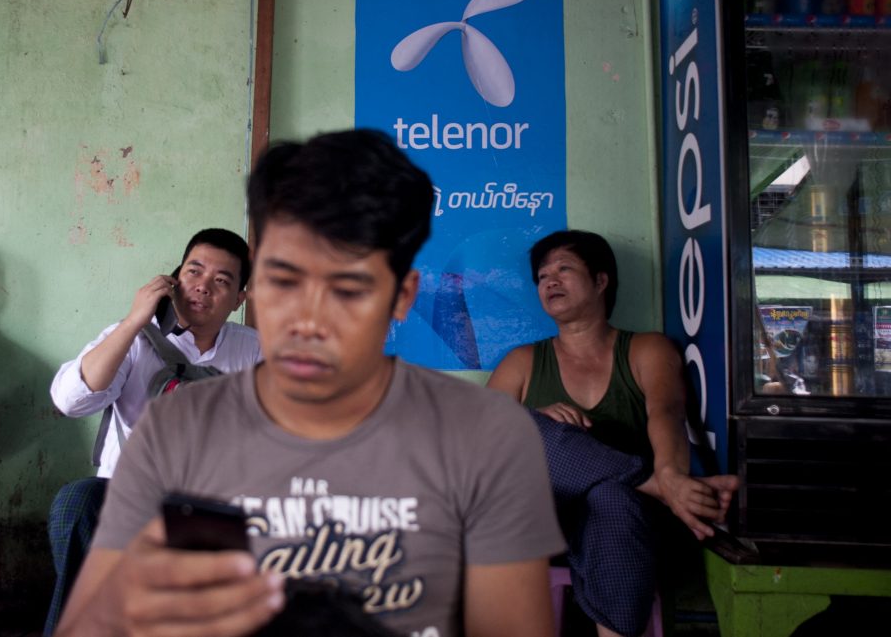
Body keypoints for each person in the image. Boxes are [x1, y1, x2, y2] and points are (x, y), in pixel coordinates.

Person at [55, 129, 566, 637]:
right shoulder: (178, 422)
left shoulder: (484, 441)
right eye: (285, 279)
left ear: (402, 295)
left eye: (347, 285)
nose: (306, 315)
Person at [487, 229, 739, 637]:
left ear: (601, 280)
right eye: (542, 276)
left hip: (628, 524)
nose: (550, 281)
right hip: (540, 522)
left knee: (611, 497)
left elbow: (667, 412)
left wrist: (673, 469)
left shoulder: (646, 349)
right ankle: (656, 485)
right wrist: (536, 419)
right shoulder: (523, 361)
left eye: (564, 269)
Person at [44, 227, 262, 635]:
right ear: (174, 279)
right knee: (77, 502)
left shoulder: (254, 351)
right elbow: (69, 402)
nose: (203, 288)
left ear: (238, 300)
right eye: (194, 272)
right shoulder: (132, 339)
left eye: (221, 281)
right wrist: (133, 322)